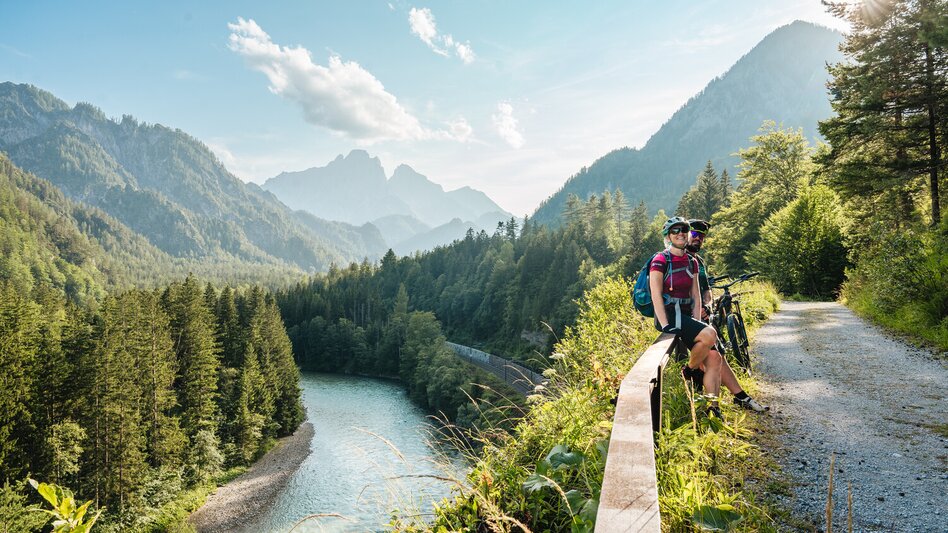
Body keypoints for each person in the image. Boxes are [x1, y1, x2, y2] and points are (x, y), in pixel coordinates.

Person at [687, 219, 768, 412]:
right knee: (714, 356)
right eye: (695, 235)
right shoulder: (678, 259)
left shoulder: (699, 261)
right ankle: (716, 403)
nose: (699, 240)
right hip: (688, 320)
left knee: (717, 355)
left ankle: (737, 397)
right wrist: (694, 309)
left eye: (702, 237)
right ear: (685, 234)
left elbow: (706, 291)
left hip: (703, 319)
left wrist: (707, 304)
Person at [649, 217, 725, 417]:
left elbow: (695, 295)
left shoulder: (692, 261)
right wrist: (665, 325)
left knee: (715, 358)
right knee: (710, 334)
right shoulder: (660, 260)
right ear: (668, 236)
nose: (681, 233)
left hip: (685, 317)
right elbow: (655, 295)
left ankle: (713, 409)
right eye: (675, 231)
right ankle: (689, 370)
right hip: (669, 316)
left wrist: (697, 321)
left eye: (684, 230)